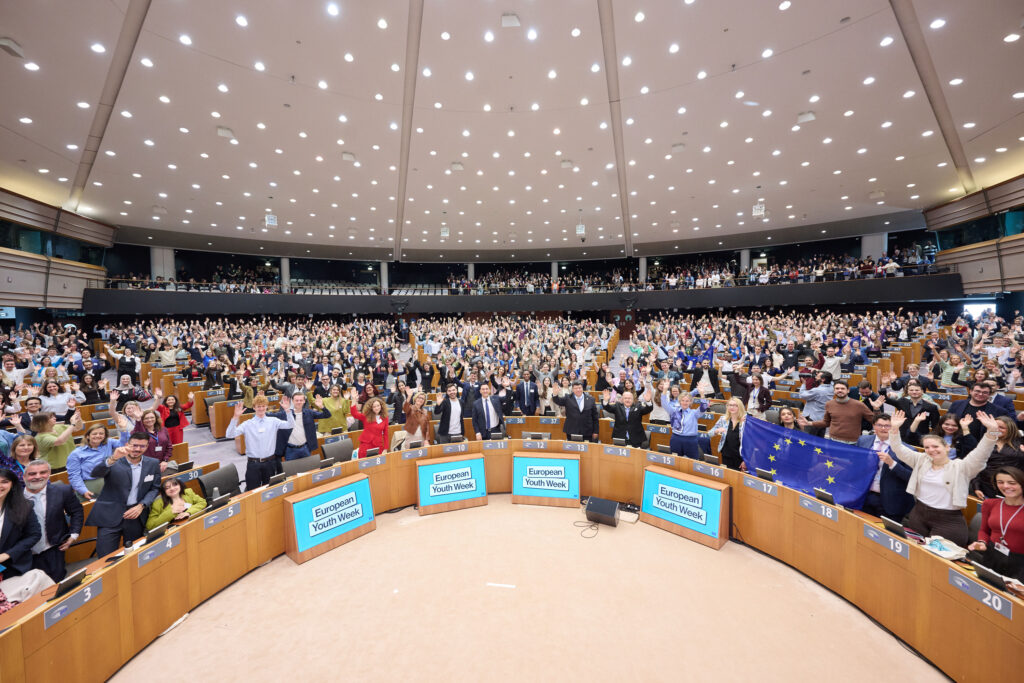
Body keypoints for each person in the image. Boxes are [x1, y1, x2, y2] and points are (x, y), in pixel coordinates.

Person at [888, 409, 1001, 547]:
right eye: (927, 447)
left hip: (947, 521)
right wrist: (894, 428)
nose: (931, 450)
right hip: (918, 514)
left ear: (947, 447)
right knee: (915, 553)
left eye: (935, 446)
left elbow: (981, 453)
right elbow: (898, 448)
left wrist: (993, 431)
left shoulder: (961, 467)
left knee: (939, 558)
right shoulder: (921, 459)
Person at [85, 432, 163, 558]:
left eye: (142, 446)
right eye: (134, 445)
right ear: (127, 444)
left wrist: (142, 505)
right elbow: (95, 474)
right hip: (110, 516)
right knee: (105, 558)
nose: (137, 449)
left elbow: (154, 488)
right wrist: (113, 458)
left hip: (136, 516)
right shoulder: (114, 460)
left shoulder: (153, 463)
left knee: (134, 556)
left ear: (147, 447)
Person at [22, 459, 83, 582]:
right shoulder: (13, 497)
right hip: (25, 555)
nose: (38, 476)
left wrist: (74, 535)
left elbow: (76, 511)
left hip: (54, 549)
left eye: (43, 472)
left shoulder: (62, 491)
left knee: (56, 584)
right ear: (24, 477)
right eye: (32, 474)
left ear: (49, 474)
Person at [226, 395, 296, 489]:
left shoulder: (273, 421)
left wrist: (288, 411)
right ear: (254, 408)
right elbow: (229, 435)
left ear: (266, 407)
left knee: (270, 490)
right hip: (253, 464)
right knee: (252, 491)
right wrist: (235, 417)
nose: (261, 408)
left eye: (263, 406)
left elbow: (291, 425)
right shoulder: (247, 424)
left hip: (270, 462)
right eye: (258, 406)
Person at [967, 466, 1024, 581]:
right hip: (992, 555)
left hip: (1020, 563)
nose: (1005, 486)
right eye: (1000, 482)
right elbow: (984, 530)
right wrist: (982, 542)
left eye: (1012, 483)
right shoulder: (990, 504)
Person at [856, 414, 915, 520]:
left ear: (894, 427)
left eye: (888, 426)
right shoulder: (863, 440)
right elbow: (856, 464)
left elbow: (911, 478)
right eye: (879, 425)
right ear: (874, 426)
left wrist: (892, 464)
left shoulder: (908, 450)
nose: (883, 428)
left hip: (890, 502)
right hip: (864, 496)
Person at [65, 422, 132, 501]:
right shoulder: (76, 454)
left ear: (105, 436)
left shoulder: (109, 442)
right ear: (87, 436)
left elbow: (124, 445)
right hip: (90, 485)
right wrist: (83, 491)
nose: (98, 436)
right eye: (94, 434)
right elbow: (74, 476)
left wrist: (123, 429)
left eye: (101, 433)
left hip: (110, 482)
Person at [800, 380, 875, 443]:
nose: (840, 390)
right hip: (833, 441)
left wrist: (876, 409)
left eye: (842, 388)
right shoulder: (829, 404)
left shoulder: (859, 405)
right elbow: (826, 422)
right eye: (837, 388)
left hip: (852, 442)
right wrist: (810, 423)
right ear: (834, 391)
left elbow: (873, 419)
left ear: (848, 390)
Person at [0, 468, 41, 578]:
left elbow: (34, 535)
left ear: (12, 484)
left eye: (4, 482)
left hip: (13, 566)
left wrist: (8, 554)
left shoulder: (25, 506)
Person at [971, 416, 1024, 499]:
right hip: (987, 489)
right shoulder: (985, 442)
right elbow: (975, 467)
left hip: (1014, 489)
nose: (997, 430)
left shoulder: (1020, 443)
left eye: (1001, 428)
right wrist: (976, 487)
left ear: (1010, 429)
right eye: (994, 426)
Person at [270, 392, 331, 461]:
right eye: (296, 400)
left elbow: (327, 415)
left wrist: (321, 406)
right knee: (291, 468)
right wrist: (262, 404)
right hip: (290, 449)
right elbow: (268, 415)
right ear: (292, 401)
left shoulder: (309, 413)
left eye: (301, 400)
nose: (299, 402)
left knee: (309, 467)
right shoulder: (285, 414)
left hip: (305, 448)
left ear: (304, 401)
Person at [665, 389, 709, 460]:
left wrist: (702, 395)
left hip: (690, 441)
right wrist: (664, 390)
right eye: (682, 400)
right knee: (675, 461)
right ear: (679, 401)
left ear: (690, 402)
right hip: (676, 439)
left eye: (687, 401)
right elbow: (664, 403)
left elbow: (703, 408)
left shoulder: (694, 413)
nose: (684, 403)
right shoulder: (674, 411)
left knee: (692, 462)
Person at [710, 397, 746, 470]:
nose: (732, 407)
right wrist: (716, 431)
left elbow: (750, 443)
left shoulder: (745, 421)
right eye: (730, 405)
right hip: (726, 455)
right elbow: (709, 434)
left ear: (740, 407)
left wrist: (746, 460)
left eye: (735, 405)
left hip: (740, 457)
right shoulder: (723, 419)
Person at [798, 371, 834, 437]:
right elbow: (831, 381)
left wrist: (804, 383)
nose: (815, 377)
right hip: (824, 419)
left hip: (813, 419)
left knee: (808, 439)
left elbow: (802, 395)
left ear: (823, 379)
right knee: (819, 439)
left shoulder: (817, 390)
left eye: (817, 376)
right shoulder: (832, 388)